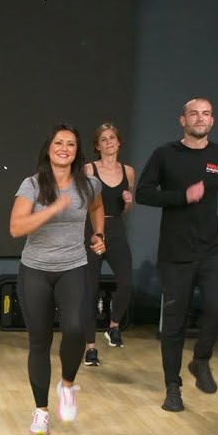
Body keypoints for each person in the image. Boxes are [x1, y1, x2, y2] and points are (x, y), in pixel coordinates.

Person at [136, 97, 218, 412]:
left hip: (211, 247)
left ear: (212, 121)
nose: (200, 118)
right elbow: (143, 193)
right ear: (182, 120)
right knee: (173, 324)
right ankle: (173, 387)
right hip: (175, 252)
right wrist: (181, 196)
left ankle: (201, 360)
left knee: (217, 307)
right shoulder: (165, 154)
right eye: (193, 113)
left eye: (206, 114)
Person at [9, 124, 106, 435]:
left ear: (77, 152)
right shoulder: (33, 185)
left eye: (71, 144)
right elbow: (16, 227)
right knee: (39, 341)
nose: (64, 148)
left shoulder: (88, 184)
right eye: (59, 143)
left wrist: (98, 233)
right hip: (35, 269)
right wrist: (52, 209)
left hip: (73, 266)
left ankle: (67, 385)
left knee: (76, 329)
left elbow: (98, 206)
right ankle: (41, 411)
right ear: (48, 148)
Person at [81, 123, 135, 366]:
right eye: (103, 139)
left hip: (116, 230)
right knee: (89, 290)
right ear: (97, 145)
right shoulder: (89, 170)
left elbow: (126, 209)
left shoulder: (129, 171)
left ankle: (113, 326)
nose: (109, 142)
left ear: (119, 142)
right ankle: (90, 348)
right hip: (92, 230)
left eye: (112, 138)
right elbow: (84, 204)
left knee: (126, 282)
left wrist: (128, 201)